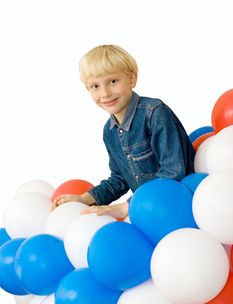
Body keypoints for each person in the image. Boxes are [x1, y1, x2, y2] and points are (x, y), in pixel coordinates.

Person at [53, 44, 195, 218]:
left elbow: (173, 171)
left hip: (178, 205)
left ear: (132, 79)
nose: (105, 93)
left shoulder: (154, 112)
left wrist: (125, 207)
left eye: (113, 81)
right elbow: (120, 178)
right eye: (95, 86)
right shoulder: (110, 131)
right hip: (147, 212)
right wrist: (85, 198)